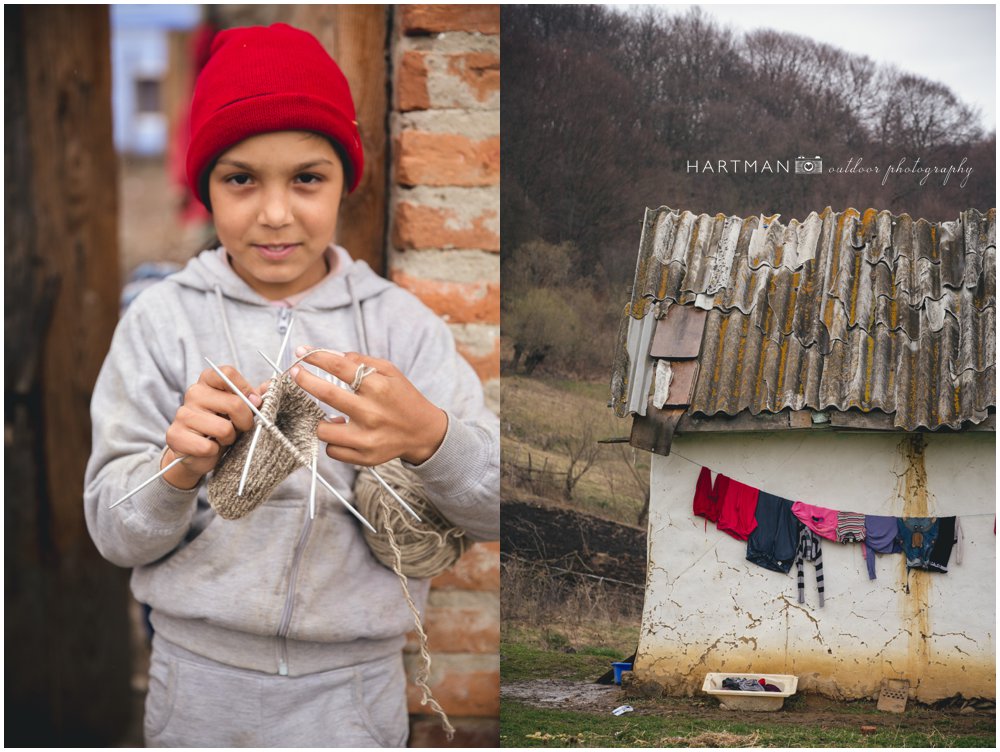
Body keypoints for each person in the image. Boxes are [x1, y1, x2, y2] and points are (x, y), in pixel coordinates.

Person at [83, 23, 499, 747]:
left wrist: (431, 438)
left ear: (345, 182)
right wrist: (175, 471)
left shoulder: (402, 329)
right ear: (206, 189)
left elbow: (501, 509)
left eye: (307, 178)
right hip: (199, 694)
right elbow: (113, 531)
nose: (275, 213)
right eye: (240, 178)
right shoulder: (160, 323)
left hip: (355, 701)